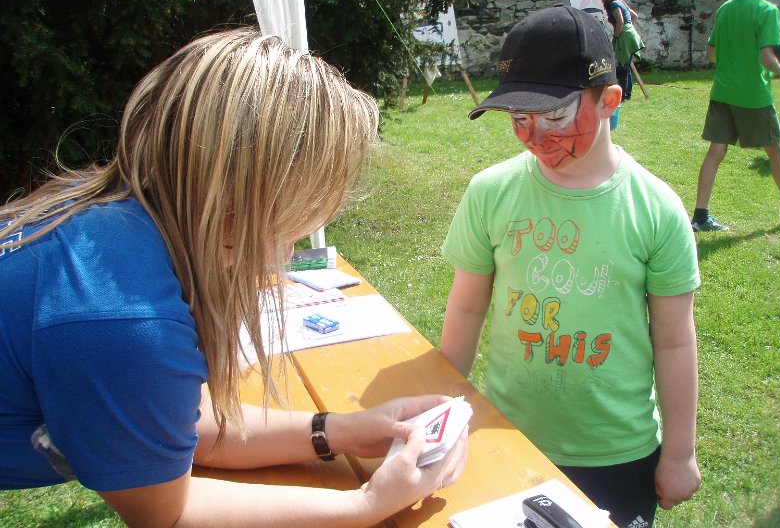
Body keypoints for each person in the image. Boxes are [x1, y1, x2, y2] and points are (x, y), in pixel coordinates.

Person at [0, 28, 468, 526]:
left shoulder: (114, 222)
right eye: (297, 210)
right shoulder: (127, 322)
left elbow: (191, 426)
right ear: (237, 197)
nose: (294, 244)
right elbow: (168, 514)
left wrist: (343, 430)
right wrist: (367, 504)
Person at [439, 5, 701, 528]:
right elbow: (466, 308)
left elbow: (674, 340)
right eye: (518, 120)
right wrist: (444, 410)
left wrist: (678, 454)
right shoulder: (491, 193)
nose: (536, 136)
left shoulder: (656, 209)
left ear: (608, 101)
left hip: (618, 455)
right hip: (507, 436)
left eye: (555, 116)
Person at [691, 0, 780, 230]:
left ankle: (700, 216)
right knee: (775, 150)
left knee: (716, 151)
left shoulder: (727, 7)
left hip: (723, 92)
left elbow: (711, 54)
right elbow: (767, 58)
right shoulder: (767, 11)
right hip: (753, 95)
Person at [598, 0, 645, 102]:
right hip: (629, 32)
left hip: (624, 34)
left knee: (623, 66)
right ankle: (627, 94)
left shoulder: (614, 4)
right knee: (627, 66)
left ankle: (623, 95)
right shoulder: (621, 2)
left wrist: (618, 34)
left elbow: (620, 21)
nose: (602, 1)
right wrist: (628, 28)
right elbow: (634, 16)